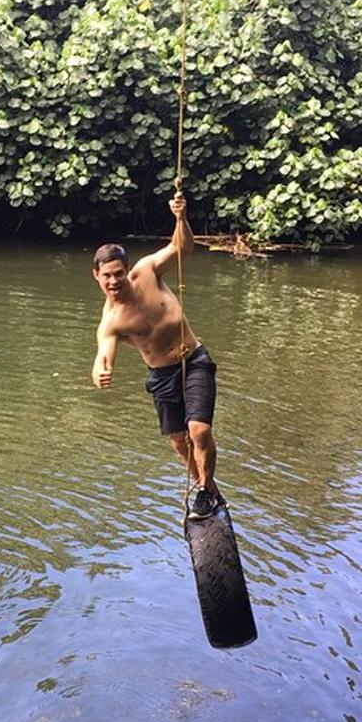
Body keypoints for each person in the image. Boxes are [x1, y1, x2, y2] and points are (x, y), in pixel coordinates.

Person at [91, 192, 220, 519]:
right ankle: (208, 487)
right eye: (106, 275)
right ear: (97, 277)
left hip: (194, 361)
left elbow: (181, 249)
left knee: (199, 431)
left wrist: (181, 218)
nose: (114, 280)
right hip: (162, 376)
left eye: (118, 273)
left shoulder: (147, 271)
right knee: (179, 441)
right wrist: (100, 372)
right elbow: (103, 355)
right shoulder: (112, 321)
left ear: (126, 269)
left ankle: (204, 492)